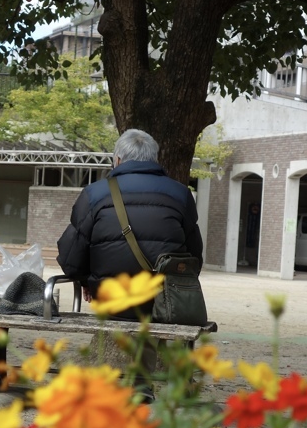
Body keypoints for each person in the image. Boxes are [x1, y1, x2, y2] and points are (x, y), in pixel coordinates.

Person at [57, 128, 203, 309]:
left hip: (112, 300)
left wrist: (86, 281)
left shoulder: (93, 194)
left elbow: (71, 257)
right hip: (166, 303)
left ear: (117, 160)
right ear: (155, 159)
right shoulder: (181, 194)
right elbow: (194, 256)